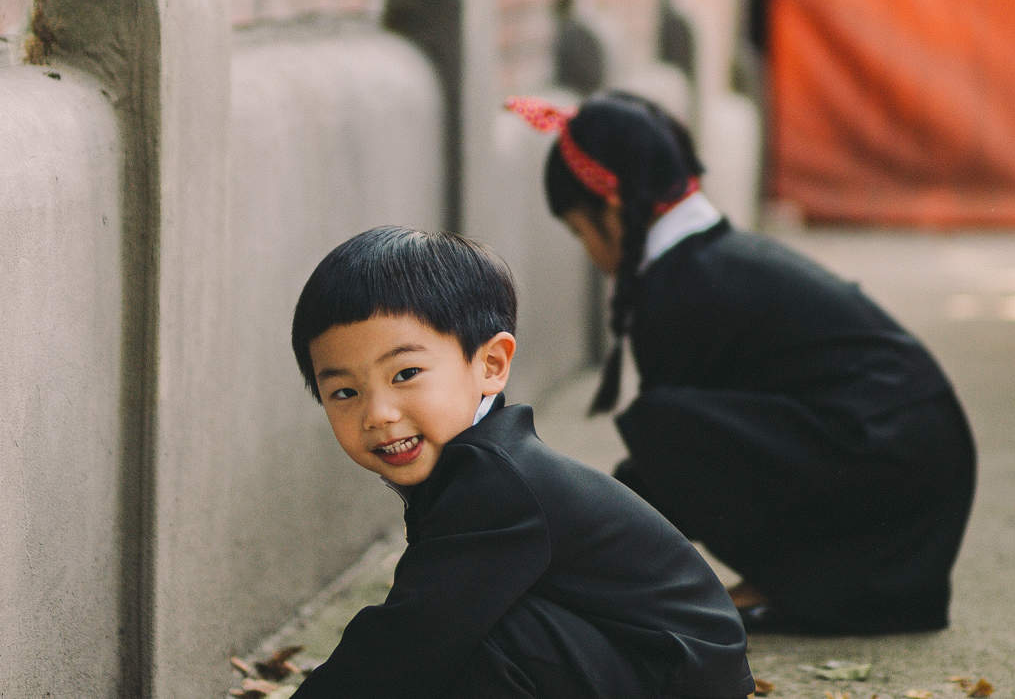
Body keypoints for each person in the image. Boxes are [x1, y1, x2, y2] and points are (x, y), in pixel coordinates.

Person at [507, 91, 978, 635]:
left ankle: (796, 587)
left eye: (578, 231)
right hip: (914, 463)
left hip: (890, 462)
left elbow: (669, 468)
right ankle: (807, 586)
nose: (588, 250)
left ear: (611, 211)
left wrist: (573, 551)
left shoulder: (678, 288)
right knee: (671, 429)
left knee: (663, 425)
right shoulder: (712, 259)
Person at [287, 226, 755, 699]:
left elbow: (408, 637)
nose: (378, 414)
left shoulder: (496, 480)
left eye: (405, 374)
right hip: (647, 666)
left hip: (677, 677)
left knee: (471, 636)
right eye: (344, 392)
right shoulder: (469, 469)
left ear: (491, 364)